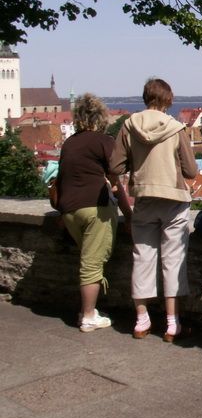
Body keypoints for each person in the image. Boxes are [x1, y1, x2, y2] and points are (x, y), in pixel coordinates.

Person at [110, 78, 198, 341]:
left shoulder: (129, 126)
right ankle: (172, 324)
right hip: (173, 198)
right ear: (168, 100)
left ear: (146, 97)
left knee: (143, 258)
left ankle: (141, 320)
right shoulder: (175, 127)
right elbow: (191, 170)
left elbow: (115, 168)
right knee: (172, 260)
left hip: (144, 198)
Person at [57, 93, 131, 332]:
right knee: (92, 264)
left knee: (88, 259)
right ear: (101, 117)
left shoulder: (70, 143)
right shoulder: (103, 141)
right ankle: (88, 316)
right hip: (94, 207)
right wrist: (128, 215)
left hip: (69, 210)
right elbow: (116, 180)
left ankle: (89, 310)